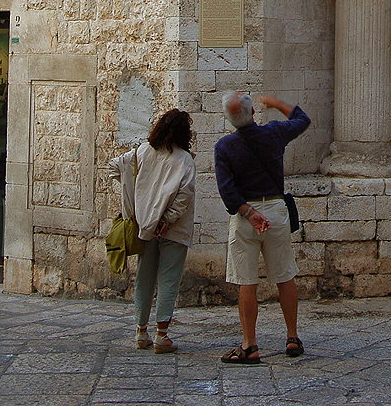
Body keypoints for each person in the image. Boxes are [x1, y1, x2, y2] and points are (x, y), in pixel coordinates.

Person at [215, 91, 310, 364]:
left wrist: (249, 212)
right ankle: (292, 338)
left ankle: (249, 344)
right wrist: (277, 102)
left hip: (247, 216)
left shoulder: (224, 147)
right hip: (277, 213)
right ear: (253, 113)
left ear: (229, 119)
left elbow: (227, 190)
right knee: (284, 276)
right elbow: (302, 120)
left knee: (247, 281)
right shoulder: (273, 134)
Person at [109, 108, 196, 354]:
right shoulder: (184, 160)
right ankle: (162, 335)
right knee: (169, 279)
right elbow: (184, 195)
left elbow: (116, 167)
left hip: (145, 226)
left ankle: (140, 331)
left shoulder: (142, 153)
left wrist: (134, 206)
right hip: (173, 229)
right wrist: (166, 219)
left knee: (144, 278)